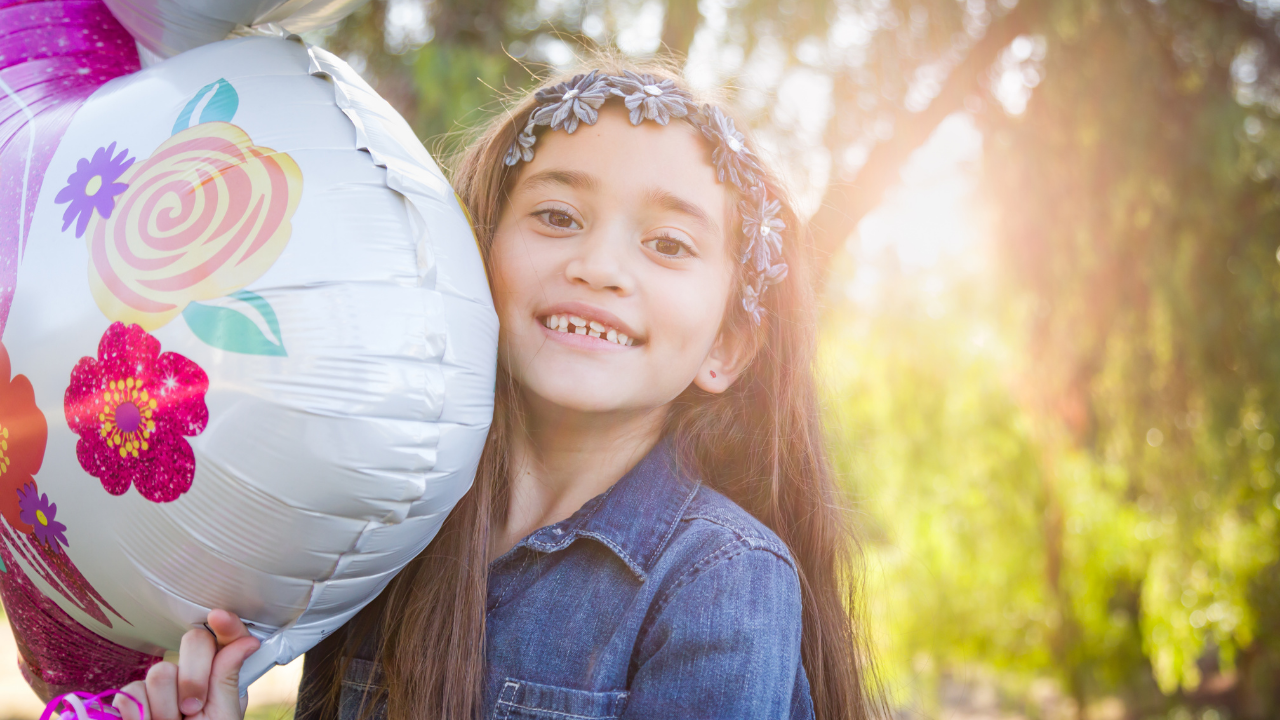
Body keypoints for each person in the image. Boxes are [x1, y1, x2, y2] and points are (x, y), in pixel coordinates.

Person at [113, 55, 885, 720]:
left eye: (668, 243)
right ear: (470, 258)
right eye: (556, 215)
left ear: (726, 346)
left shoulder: (723, 580)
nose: (599, 266)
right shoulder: (388, 532)